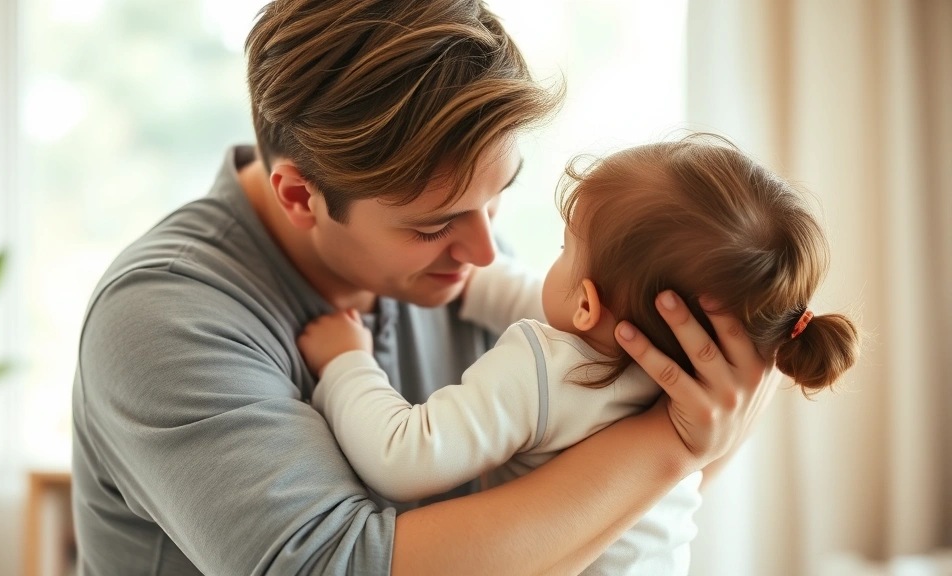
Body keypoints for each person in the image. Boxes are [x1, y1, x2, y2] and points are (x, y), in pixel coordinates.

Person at [71, 2, 777, 574]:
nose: (482, 250)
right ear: (298, 196)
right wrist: (673, 445)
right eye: (433, 225)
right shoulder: (167, 315)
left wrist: (701, 414)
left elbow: (593, 522)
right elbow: (336, 566)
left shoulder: (462, 259)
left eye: (497, 197)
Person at [297, 136, 861, 575]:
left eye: (565, 249)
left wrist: (347, 361)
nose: (550, 260)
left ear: (589, 303)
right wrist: (470, 284)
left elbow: (405, 455)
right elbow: (563, 307)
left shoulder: (542, 367)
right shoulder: (687, 382)